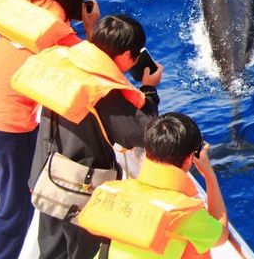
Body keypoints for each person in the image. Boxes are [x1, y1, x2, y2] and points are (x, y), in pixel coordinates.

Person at [28, 14, 164, 259]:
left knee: (50, 249)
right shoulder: (103, 92)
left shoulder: (66, 61)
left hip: (45, 175)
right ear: (124, 56)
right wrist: (149, 90)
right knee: (84, 252)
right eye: (134, 55)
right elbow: (142, 134)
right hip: (78, 187)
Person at [0, 0, 99, 259]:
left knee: (17, 162)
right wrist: (91, 28)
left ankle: (3, 175)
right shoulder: (63, 40)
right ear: (74, 7)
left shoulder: (12, 1)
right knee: (16, 209)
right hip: (8, 127)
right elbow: (93, 70)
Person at [78, 112, 232, 259]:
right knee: (196, 247)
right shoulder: (182, 214)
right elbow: (221, 236)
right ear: (190, 158)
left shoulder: (116, 190)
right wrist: (209, 176)